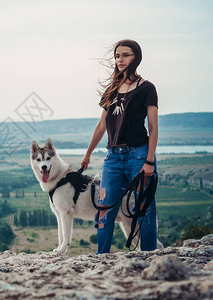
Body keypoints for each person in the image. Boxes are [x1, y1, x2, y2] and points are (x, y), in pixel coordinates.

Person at [81, 39, 159, 254]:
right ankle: (101, 257)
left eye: (126, 55)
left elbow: (153, 127)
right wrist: (87, 154)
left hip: (139, 155)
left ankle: (150, 255)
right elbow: (101, 125)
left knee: (145, 207)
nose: (120, 60)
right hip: (113, 157)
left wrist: (149, 160)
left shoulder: (147, 88)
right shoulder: (112, 89)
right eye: (117, 56)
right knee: (105, 209)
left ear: (137, 57)